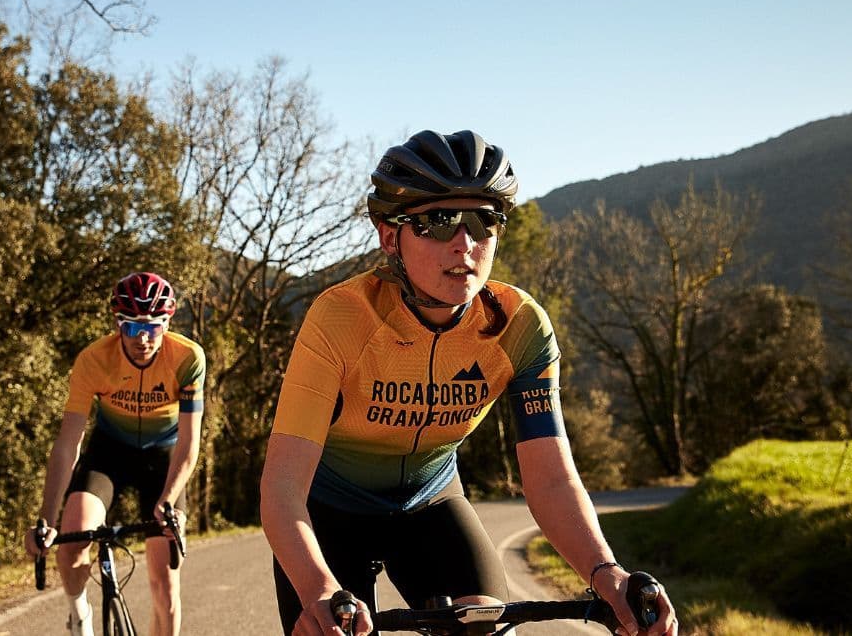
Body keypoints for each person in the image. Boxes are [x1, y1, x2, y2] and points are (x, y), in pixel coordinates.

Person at [260, 130, 679, 636]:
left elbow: (550, 478)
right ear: (390, 237)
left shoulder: (520, 326)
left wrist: (606, 572)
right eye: (438, 222)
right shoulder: (340, 320)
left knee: (488, 627)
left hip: (431, 504)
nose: (464, 243)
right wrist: (319, 590)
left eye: (483, 221)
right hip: (328, 513)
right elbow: (283, 486)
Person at [25, 272, 205, 636]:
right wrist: (47, 518)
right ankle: (80, 617)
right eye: (131, 326)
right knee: (74, 539)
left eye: (154, 326)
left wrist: (169, 500)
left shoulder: (187, 358)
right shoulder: (93, 359)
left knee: (166, 585)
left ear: (168, 322)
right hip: (110, 453)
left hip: (162, 457)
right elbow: (68, 443)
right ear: (116, 323)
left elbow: (189, 442)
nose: (143, 338)